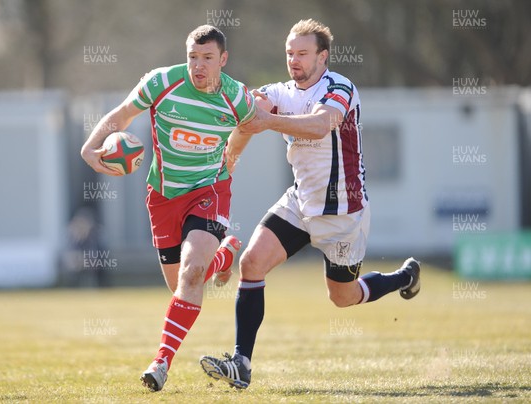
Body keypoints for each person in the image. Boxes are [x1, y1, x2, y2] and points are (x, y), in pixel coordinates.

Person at [199, 19, 421, 389]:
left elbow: (320, 125)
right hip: (301, 201)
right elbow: (249, 117)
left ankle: (404, 277)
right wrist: (229, 161)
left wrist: (267, 121)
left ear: (323, 56)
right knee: (251, 263)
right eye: (290, 53)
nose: (294, 60)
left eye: (302, 53)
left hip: (343, 212)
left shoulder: (339, 88)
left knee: (343, 297)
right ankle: (242, 363)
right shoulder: (281, 91)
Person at [80, 25, 256, 392]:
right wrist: (90, 148)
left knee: (192, 274)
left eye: (208, 58)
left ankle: (160, 363)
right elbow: (122, 114)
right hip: (163, 196)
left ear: (223, 60)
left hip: (210, 190)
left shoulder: (235, 97)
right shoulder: (162, 82)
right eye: (193, 57)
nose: (199, 65)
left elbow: (254, 123)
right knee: (181, 286)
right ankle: (224, 258)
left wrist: (234, 153)